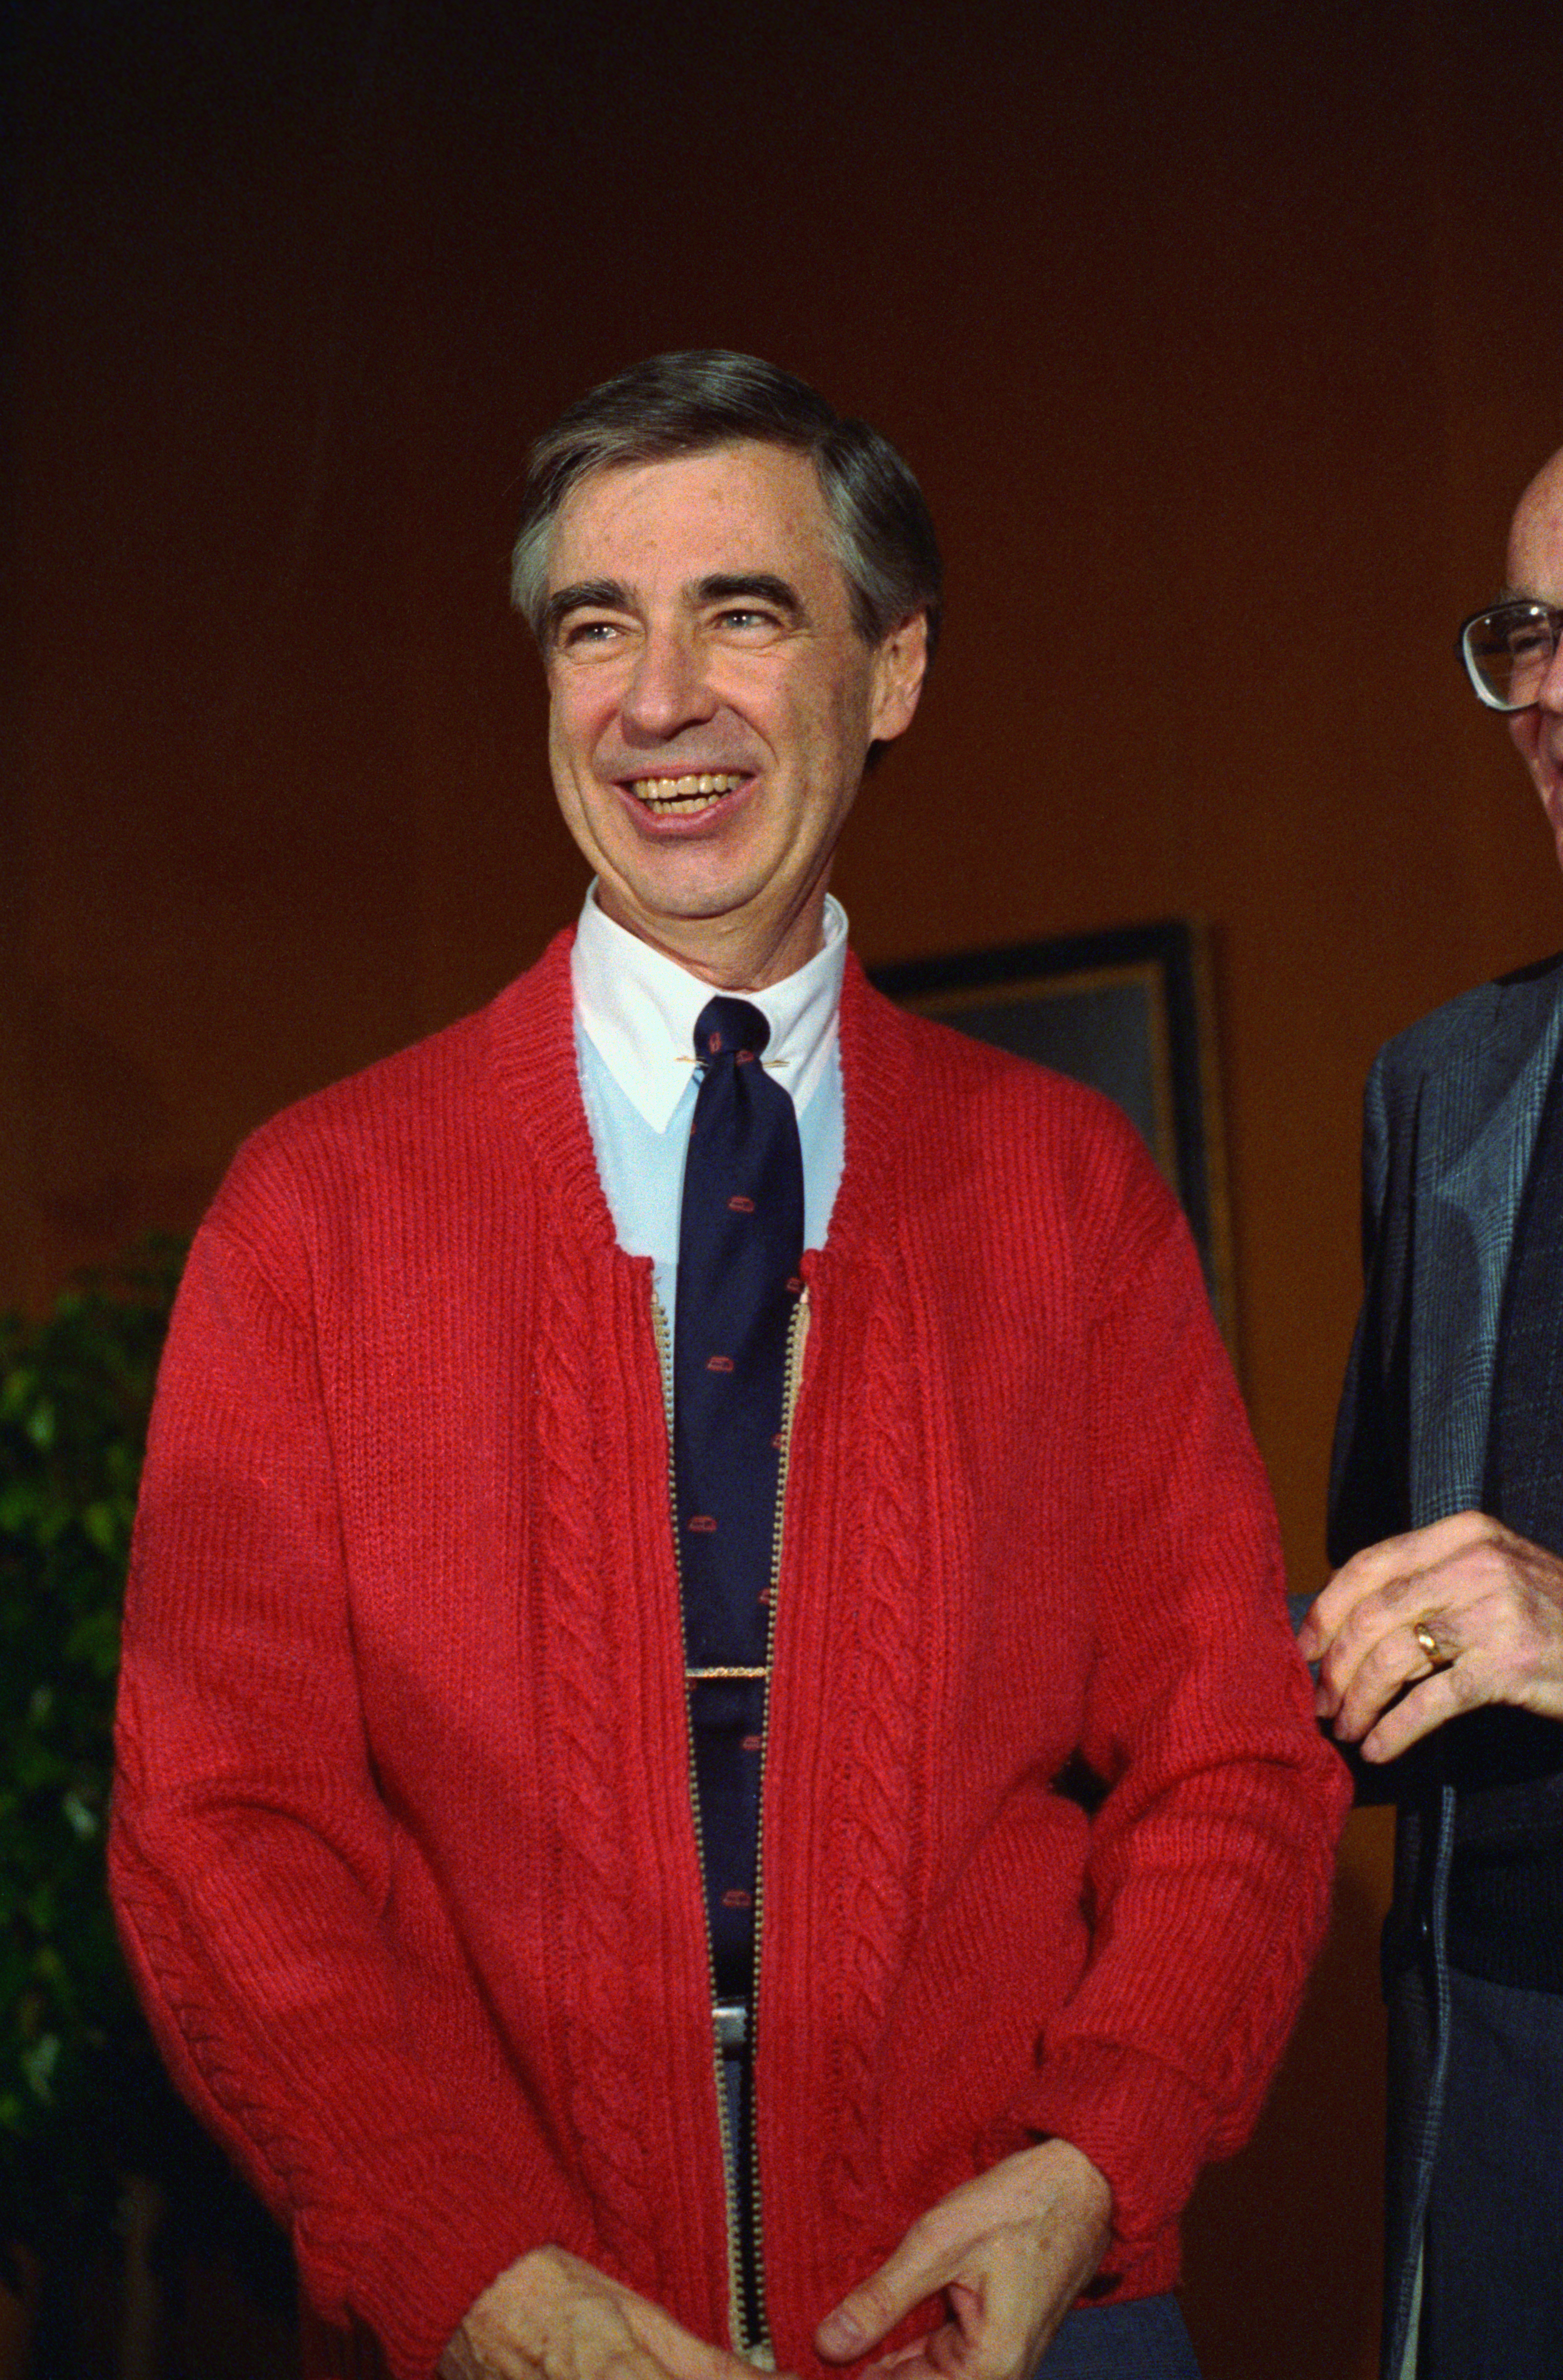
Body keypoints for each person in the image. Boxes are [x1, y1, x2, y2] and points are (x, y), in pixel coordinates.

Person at [110, 350, 1347, 2380]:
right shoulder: (317, 1210)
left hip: (1026, 2317)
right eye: (599, 625)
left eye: (743, 614)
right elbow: (217, 1822)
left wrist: (1096, 2161)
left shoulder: (1065, 1192)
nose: (657, 698)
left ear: (895, 672)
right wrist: (470, 2265)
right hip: (500, 2328)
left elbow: (1232, 1752)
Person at [1304, 442, 1563, 2380]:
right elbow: (1365, 1644)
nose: (1547, 688)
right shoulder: (1441, 1088)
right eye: (1531, 630)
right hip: (1496, 2069)